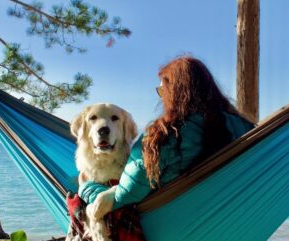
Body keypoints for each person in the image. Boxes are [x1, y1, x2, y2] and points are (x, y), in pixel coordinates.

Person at [82, 55, 254, 222]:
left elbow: (124, 196)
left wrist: (87, 187)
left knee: (79, 211)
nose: (161, 96)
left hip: (174, 228)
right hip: (232, 221)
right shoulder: (244, 128)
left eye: (162, 90)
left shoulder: (162, 136)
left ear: (174, 93)